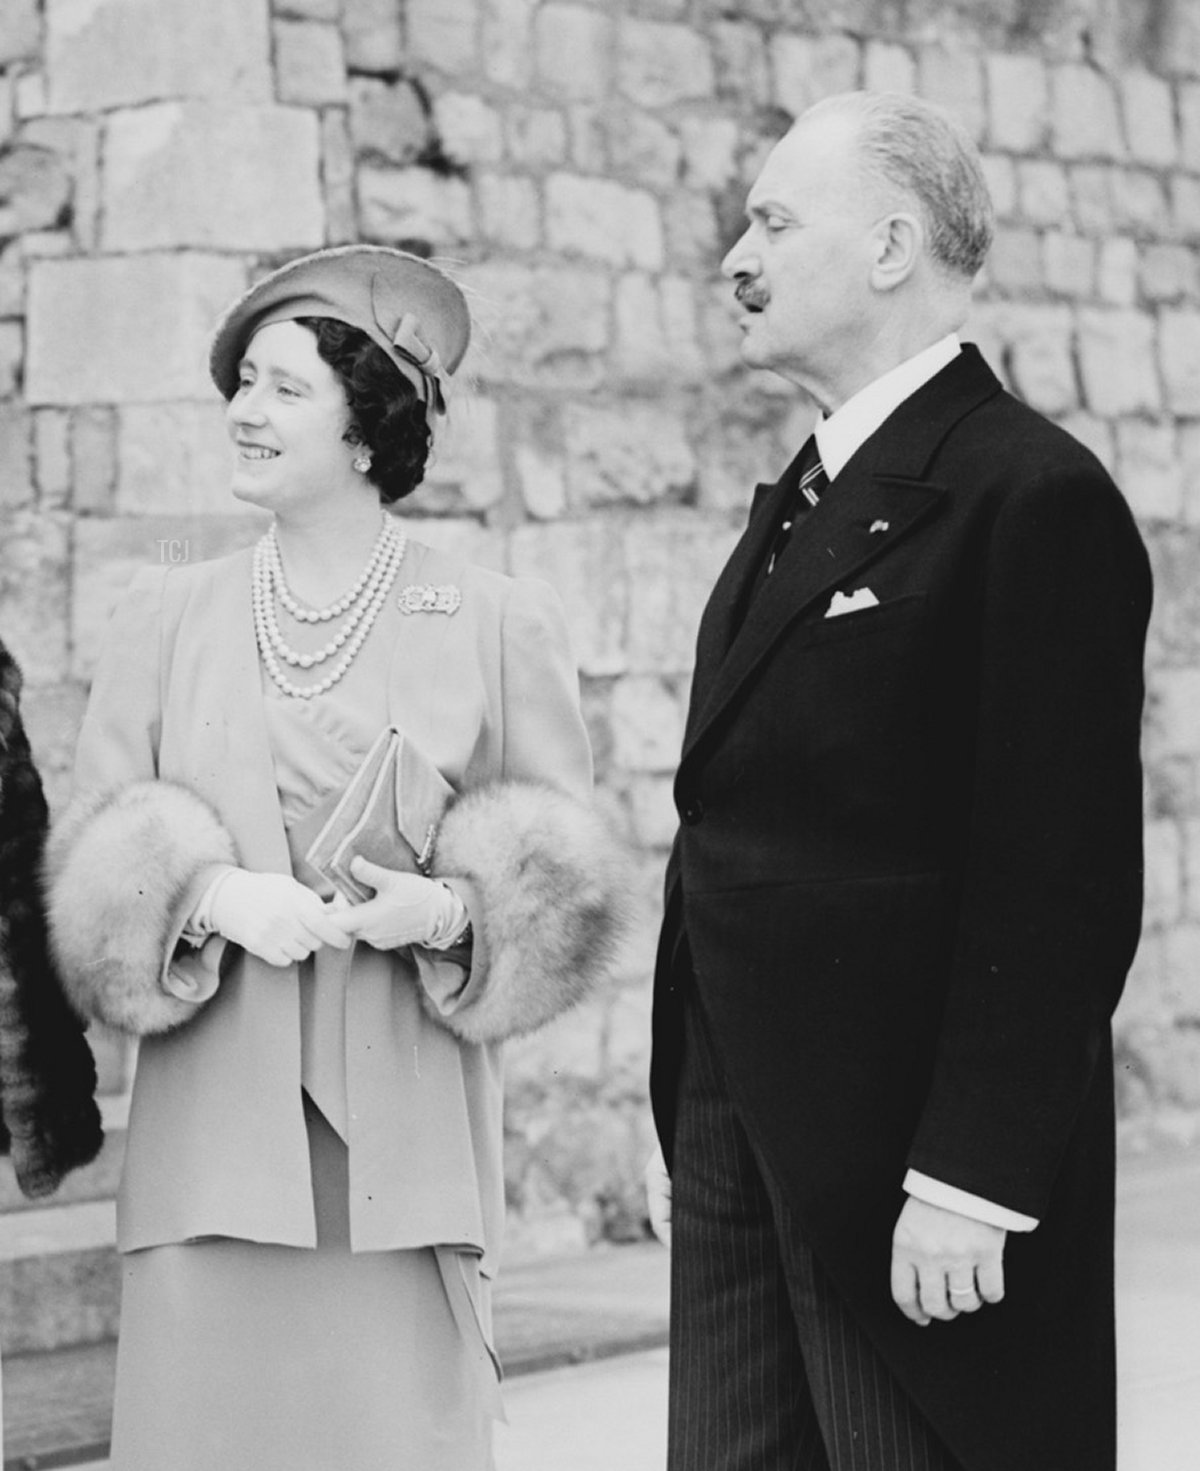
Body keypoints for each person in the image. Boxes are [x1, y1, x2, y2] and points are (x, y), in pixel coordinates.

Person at [43, 245, 630, 1471]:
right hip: (212, 1150)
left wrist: (448, 911)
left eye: (284, 388)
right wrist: (209, 892)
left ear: (369, 429)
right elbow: (89, 852)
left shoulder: (492, 618)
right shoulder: (165, 615)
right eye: (241, 386)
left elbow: (568, 879)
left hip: (402, 1160)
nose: (245, 413)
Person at [648, 91, 1151, 1471]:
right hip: (743, 1134)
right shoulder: (802, 500)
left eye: (771, 221)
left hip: (900, 1166)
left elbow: (1062, 869)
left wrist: (975, 1175)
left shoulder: (1029, 494)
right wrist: (689, 1108)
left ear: (888, 245)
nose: (734, 260)